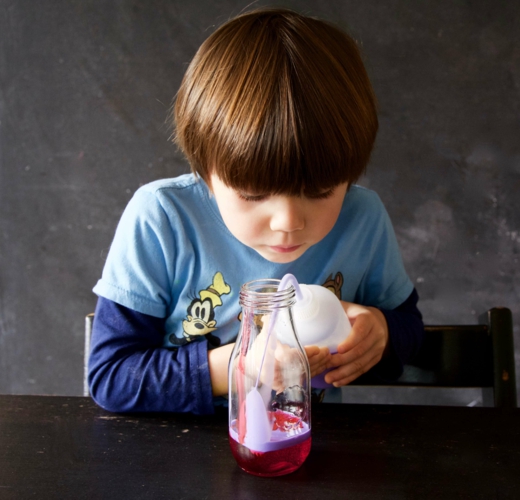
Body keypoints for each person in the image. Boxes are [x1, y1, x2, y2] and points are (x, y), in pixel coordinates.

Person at [88, 8, 424, 414]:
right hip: (173, 457)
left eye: (319, 191)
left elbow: (409, 326)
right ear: (206, 173)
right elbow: (111, 376)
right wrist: (243, 365)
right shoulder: (163, 219)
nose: (288, 222)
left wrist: (382, 332)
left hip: (301, 450)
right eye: (251, 194)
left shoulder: (363, 219)